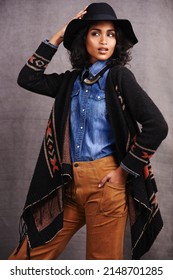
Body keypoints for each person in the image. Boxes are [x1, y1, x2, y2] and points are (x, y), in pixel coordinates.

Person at [9, 2, 168, 260]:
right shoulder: (70, 81)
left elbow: (157, 126)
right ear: (84, 39)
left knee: (100, 268)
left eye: (111, 34)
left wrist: (123, 172)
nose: (104, 40)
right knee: (24, 260)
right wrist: (59, 35)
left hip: (106, 185)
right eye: (95, 33)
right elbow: (28, 77)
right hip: (67, 186)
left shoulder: (118, 77)